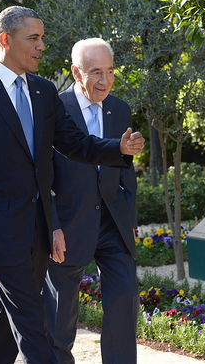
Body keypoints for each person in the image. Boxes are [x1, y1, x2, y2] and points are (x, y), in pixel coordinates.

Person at [0, 7, 144, 364]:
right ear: (5, 40)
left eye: (42, 38)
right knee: (34, 329)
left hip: (37, 232)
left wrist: (118, 148)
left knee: (4, 326)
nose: (41, 46)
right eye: (33, 38)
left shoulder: (43, 91)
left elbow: (75, 143)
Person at [43, 38, 139, 364]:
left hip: (112, 222)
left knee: (125, 298)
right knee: (60, 315)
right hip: (68, 226)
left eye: (110, 71)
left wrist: (130, 219)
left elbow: (126, 172)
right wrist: (52, 226)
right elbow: (42, 178)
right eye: (96, 72)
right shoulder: (53, 110)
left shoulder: (121, 108)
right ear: (75, 72)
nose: (105, 80)